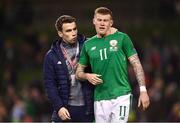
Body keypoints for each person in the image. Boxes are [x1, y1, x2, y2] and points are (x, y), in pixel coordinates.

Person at [76, 7, 150, 123]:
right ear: (93, 21)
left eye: (105, 20)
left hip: (121, 95)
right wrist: (87, 76)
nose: (102, 23)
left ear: (111, 23)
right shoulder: (88, 45)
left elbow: (136, 64)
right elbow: (78, 73)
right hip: (99, 98)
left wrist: (143, 90)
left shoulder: (122, 38)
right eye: (99, 20)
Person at [43, 15, 94, 122]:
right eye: (69, 30)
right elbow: (50, 85)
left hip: (87, 109)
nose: (73, 33)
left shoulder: (89, 46)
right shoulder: (51, 56)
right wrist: (59, 107)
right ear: (60, 33)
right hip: (65, 109)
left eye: (75, 29)